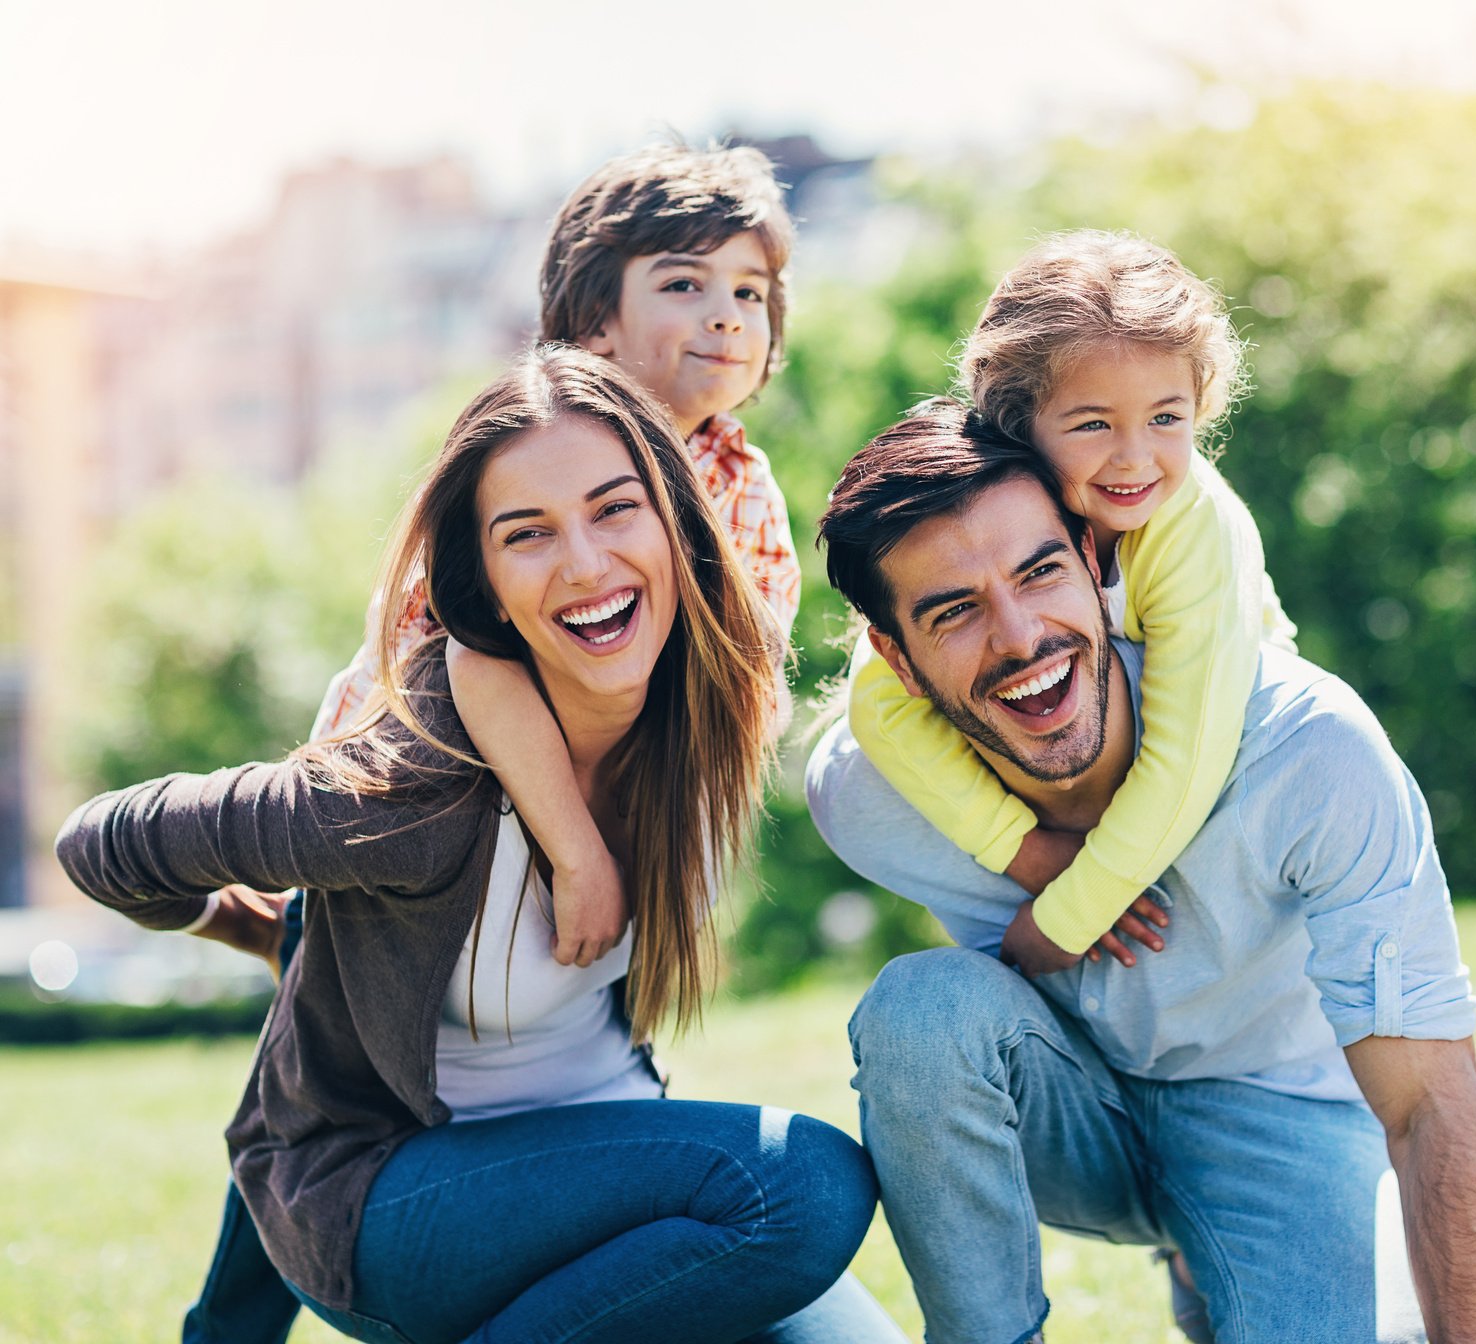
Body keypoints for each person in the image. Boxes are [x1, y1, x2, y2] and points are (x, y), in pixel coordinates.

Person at [59, 347, 902, 1344]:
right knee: (802, 1188)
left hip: (601, 1161)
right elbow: (99, 845)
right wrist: (262, 928)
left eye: (615, 509)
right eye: (527, 534)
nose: (586, 565)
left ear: (677, 521)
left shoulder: (715, 705)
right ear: (488, 585)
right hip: (396, 1197)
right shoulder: (413, 787)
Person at [174, 142, 814, 1343]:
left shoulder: (741, 487)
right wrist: (577, 846)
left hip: (587, 830)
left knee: (589, 1052)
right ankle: (236, 1314)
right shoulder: (531, 450)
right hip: (417, 835)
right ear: (594, 323)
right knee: (320, 1075)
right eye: (682, 284)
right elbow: (464, 668)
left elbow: (744, 669)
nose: (726, 316)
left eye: (750, 292)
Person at [809, 402, 1476, 1343]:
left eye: (1041, 572)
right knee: (921, 1010)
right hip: (1075, 1107)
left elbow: (1433, 1102)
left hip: (1278, 1116)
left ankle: (1220, 1253)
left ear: (1098, 564)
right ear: (895, 660)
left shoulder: (1307, 751)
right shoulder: (867, 799)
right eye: (955, 611)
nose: (1020, 638)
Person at [845, 231, 1297, 979]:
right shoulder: (1000, 513)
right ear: (1016, 425)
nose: (1133, 457)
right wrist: (1028, 856)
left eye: (1167, 418)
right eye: (1093, 423)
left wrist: (1063, 920)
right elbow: (878, 698)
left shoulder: (1196, 531)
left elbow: (1186, 764)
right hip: (1081, 798)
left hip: (1234, 762)